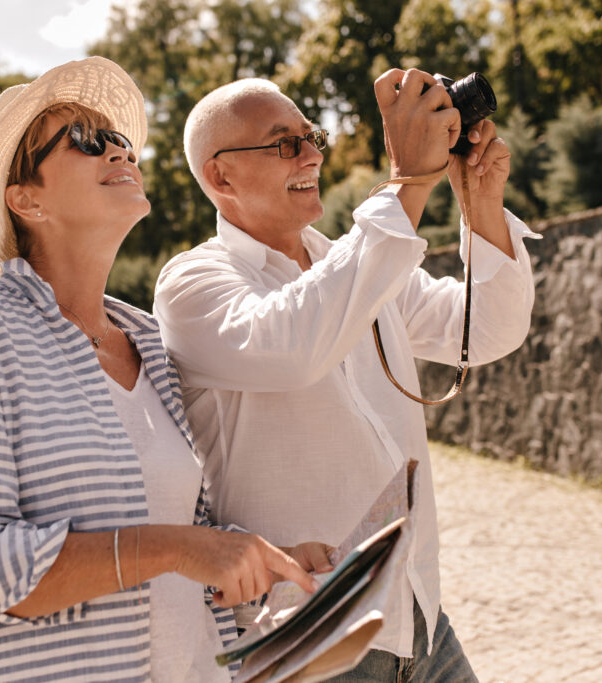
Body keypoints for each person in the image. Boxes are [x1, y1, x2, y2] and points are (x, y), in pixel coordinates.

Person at [0, 57, 332, 683]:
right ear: (26, 200)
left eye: (119, 140)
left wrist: (256, 563)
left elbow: (179, 546)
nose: (118, 151)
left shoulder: (149, 342)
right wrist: (182, 548)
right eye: (86, 141)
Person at [153, 69, 541, 681]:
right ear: (219, 175)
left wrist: (481, 207)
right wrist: (408, 182)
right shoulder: (191, 284)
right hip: (311, 633)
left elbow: (484, 330)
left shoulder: (351, 259)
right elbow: (295, 346)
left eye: (310, 137)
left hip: (418, 610)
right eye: (285, 144)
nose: (311, 154)